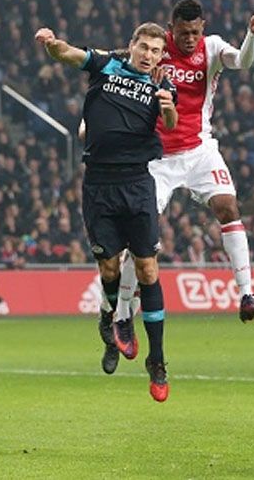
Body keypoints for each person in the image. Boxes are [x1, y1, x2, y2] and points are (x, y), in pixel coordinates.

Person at [109, 0, 254, 359]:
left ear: (203, 28)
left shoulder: (212, 47)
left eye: (195, 32)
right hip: (156, 157)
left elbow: (243, 62)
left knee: (228, 206)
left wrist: (251, 35)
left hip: (199, 149)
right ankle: (121, 315)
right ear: (171, 28)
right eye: (183, 33)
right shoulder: (154, 49)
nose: (189, 39)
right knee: (142, 236)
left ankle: (246, 294)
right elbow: (115, 69)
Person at [35, 22, 178, 402]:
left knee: (148, 268)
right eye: (143, 47)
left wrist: (168, 110)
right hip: (99, 186)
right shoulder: (105, 65)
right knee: (109, 268)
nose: (148, 55)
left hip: (137, 183)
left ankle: (157, 360)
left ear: (162, 55)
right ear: (130, 46)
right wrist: (50, 44)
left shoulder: (164, 85)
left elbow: (170, 124)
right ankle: (111, 319)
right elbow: (67, 53)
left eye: (155, 51)